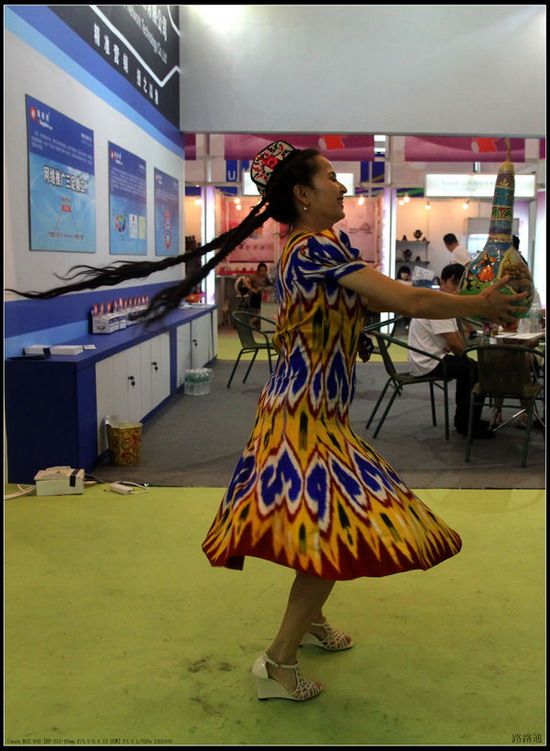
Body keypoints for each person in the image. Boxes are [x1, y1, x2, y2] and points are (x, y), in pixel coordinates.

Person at [7, 141, 527, 703]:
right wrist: (478, 305)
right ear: (303, 195)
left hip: (317, 413)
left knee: (317, 529)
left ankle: (311, 623)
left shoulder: (327, 243)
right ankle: (278, 662)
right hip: (302, 419)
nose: (343, 186)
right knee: (337, 534)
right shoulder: (309, 251)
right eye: (331, 177)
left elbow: (363, 307)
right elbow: (406, 298)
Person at [407, 263, 493, 438]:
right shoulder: (439, 305)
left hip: (428, 358)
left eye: (460, 285)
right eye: (454, 284)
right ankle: (466, 424)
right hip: (428, 362)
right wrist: (467, 355)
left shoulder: (443, 302)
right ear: (442, 282)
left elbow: (456, 339)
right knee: (473, 369)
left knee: (471, 367)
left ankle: (468, 419)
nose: (457, 290)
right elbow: (455, 344)